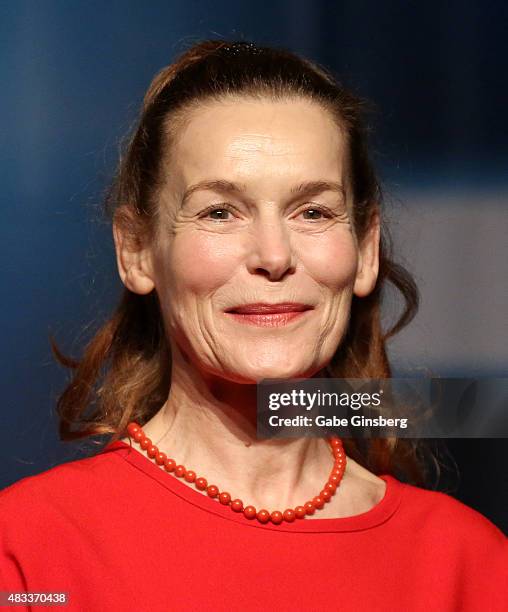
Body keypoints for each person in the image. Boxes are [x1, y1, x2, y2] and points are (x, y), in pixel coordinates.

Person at [0, 39, 506, 612]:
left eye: (313, 211)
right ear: (138, 251)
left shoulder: (467, 564)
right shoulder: (29, 553)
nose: (274, 254)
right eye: (220, 212)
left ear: (365, 249)